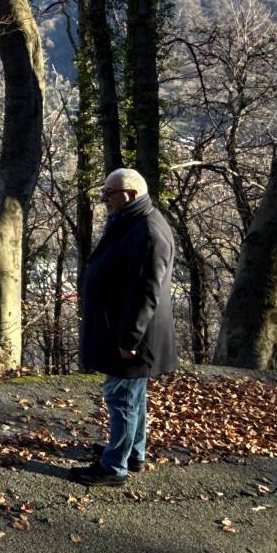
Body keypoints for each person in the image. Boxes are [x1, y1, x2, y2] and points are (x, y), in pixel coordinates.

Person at [70, 167, 177, 487]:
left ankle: (115, 466)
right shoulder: (133, 220)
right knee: (132, 396)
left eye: (109, 193)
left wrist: (129, 339)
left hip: (133, 335)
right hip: (125, 330)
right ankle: (132, 453)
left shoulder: (148, 232)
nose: (104, 198)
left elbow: (146, 292)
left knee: (121, 396)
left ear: (129, 194)